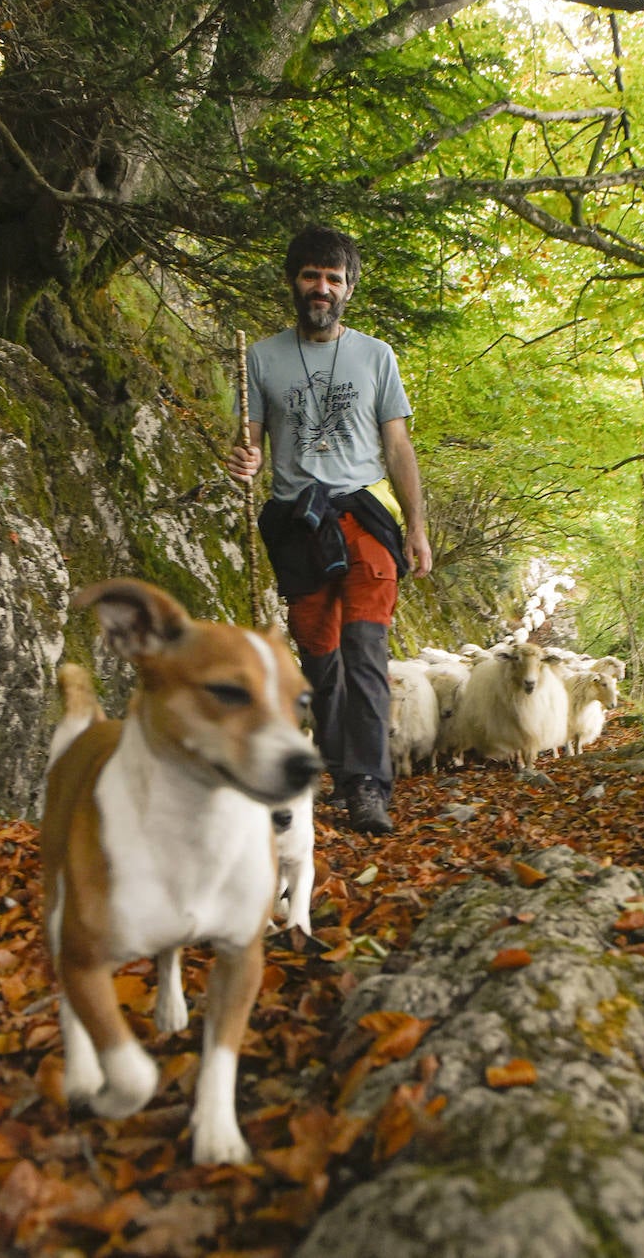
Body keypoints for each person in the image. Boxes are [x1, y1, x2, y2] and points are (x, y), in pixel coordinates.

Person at [227, 225, 432, 835]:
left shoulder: (377, 355)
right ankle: (344, 774)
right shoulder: (260, 357)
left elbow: (398, 446)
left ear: (349, 289)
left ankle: (369, 783)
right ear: (294, 282)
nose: (322, 288)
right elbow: (249, 445)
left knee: (364, 651)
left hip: (364, 517)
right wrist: (244, 460)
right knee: (320, 660)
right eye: (311, 276)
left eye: (334, 279)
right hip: (298, 523)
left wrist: (416, 527)